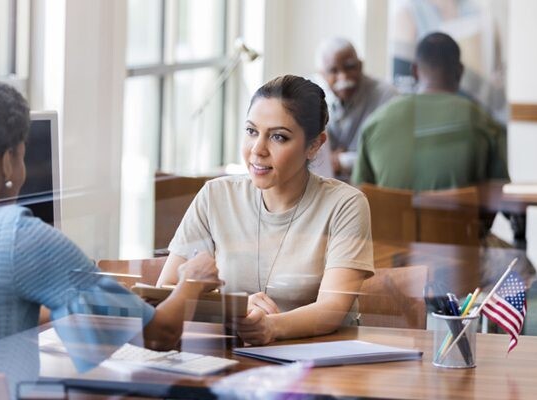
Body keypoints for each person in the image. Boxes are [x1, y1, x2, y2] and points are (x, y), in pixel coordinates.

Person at [0, 83, 221, 396]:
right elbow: (157, 335)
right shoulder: (18, 235)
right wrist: (190, 283)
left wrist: (63, 303)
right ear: (8, 161)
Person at [157, 75, 374, 346]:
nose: (257, 150)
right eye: (251, 131)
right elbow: (165, 292)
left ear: (315, 145)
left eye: (278, 137)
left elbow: (332, 309)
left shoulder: (345, 204)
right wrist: (235, 308)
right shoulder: (215, 196)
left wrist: (271, 326)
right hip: (232, 358)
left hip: (319, 363)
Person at [352, 32, 508, 191]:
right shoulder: (484, 122)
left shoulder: (375, 123)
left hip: (390, 216)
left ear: (414, 71)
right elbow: (501, 194)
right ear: (460, 71)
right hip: (459, 216)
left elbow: (359, 193)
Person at [315, 38, 398, 179]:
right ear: (322, 74)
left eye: (350, 67)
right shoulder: (311, 95)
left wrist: (341, 161)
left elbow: (390, 154)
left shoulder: (386, 95)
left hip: (370, 188)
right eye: (333, 71)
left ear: (360, 65)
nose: (343, 77)